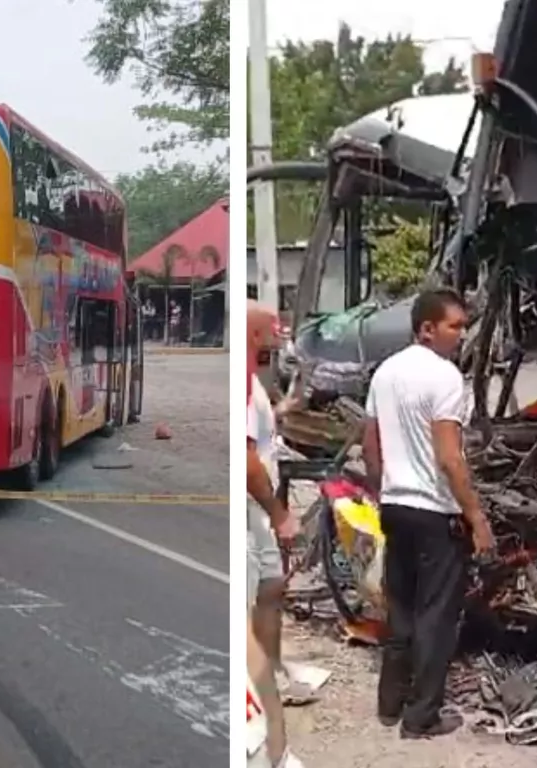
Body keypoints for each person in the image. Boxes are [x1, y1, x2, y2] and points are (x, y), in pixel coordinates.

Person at [361, 288, 495, 739]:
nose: (460, 334)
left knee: (400, 609)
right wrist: (476, 517)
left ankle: (389, 704)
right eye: (454, 326)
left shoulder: (384, 373)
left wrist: (383, 490)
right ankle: (421, 718)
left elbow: (370, 443)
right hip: (435, 513)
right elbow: (450, 458)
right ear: (426, 328)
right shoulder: (445, 378)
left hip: (396, 505)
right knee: (436, 617)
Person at [246, 300, 307, 768]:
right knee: (249, 611)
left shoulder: (254, 384)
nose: (278, 337)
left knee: (272, 589)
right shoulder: (244, 387)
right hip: (253, 512)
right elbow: (249, 462)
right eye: (272, 331)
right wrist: (279, 512)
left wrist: (285, 407)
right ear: (254, 335)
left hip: (259, 514)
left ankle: (272, 671)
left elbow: (261, 439)